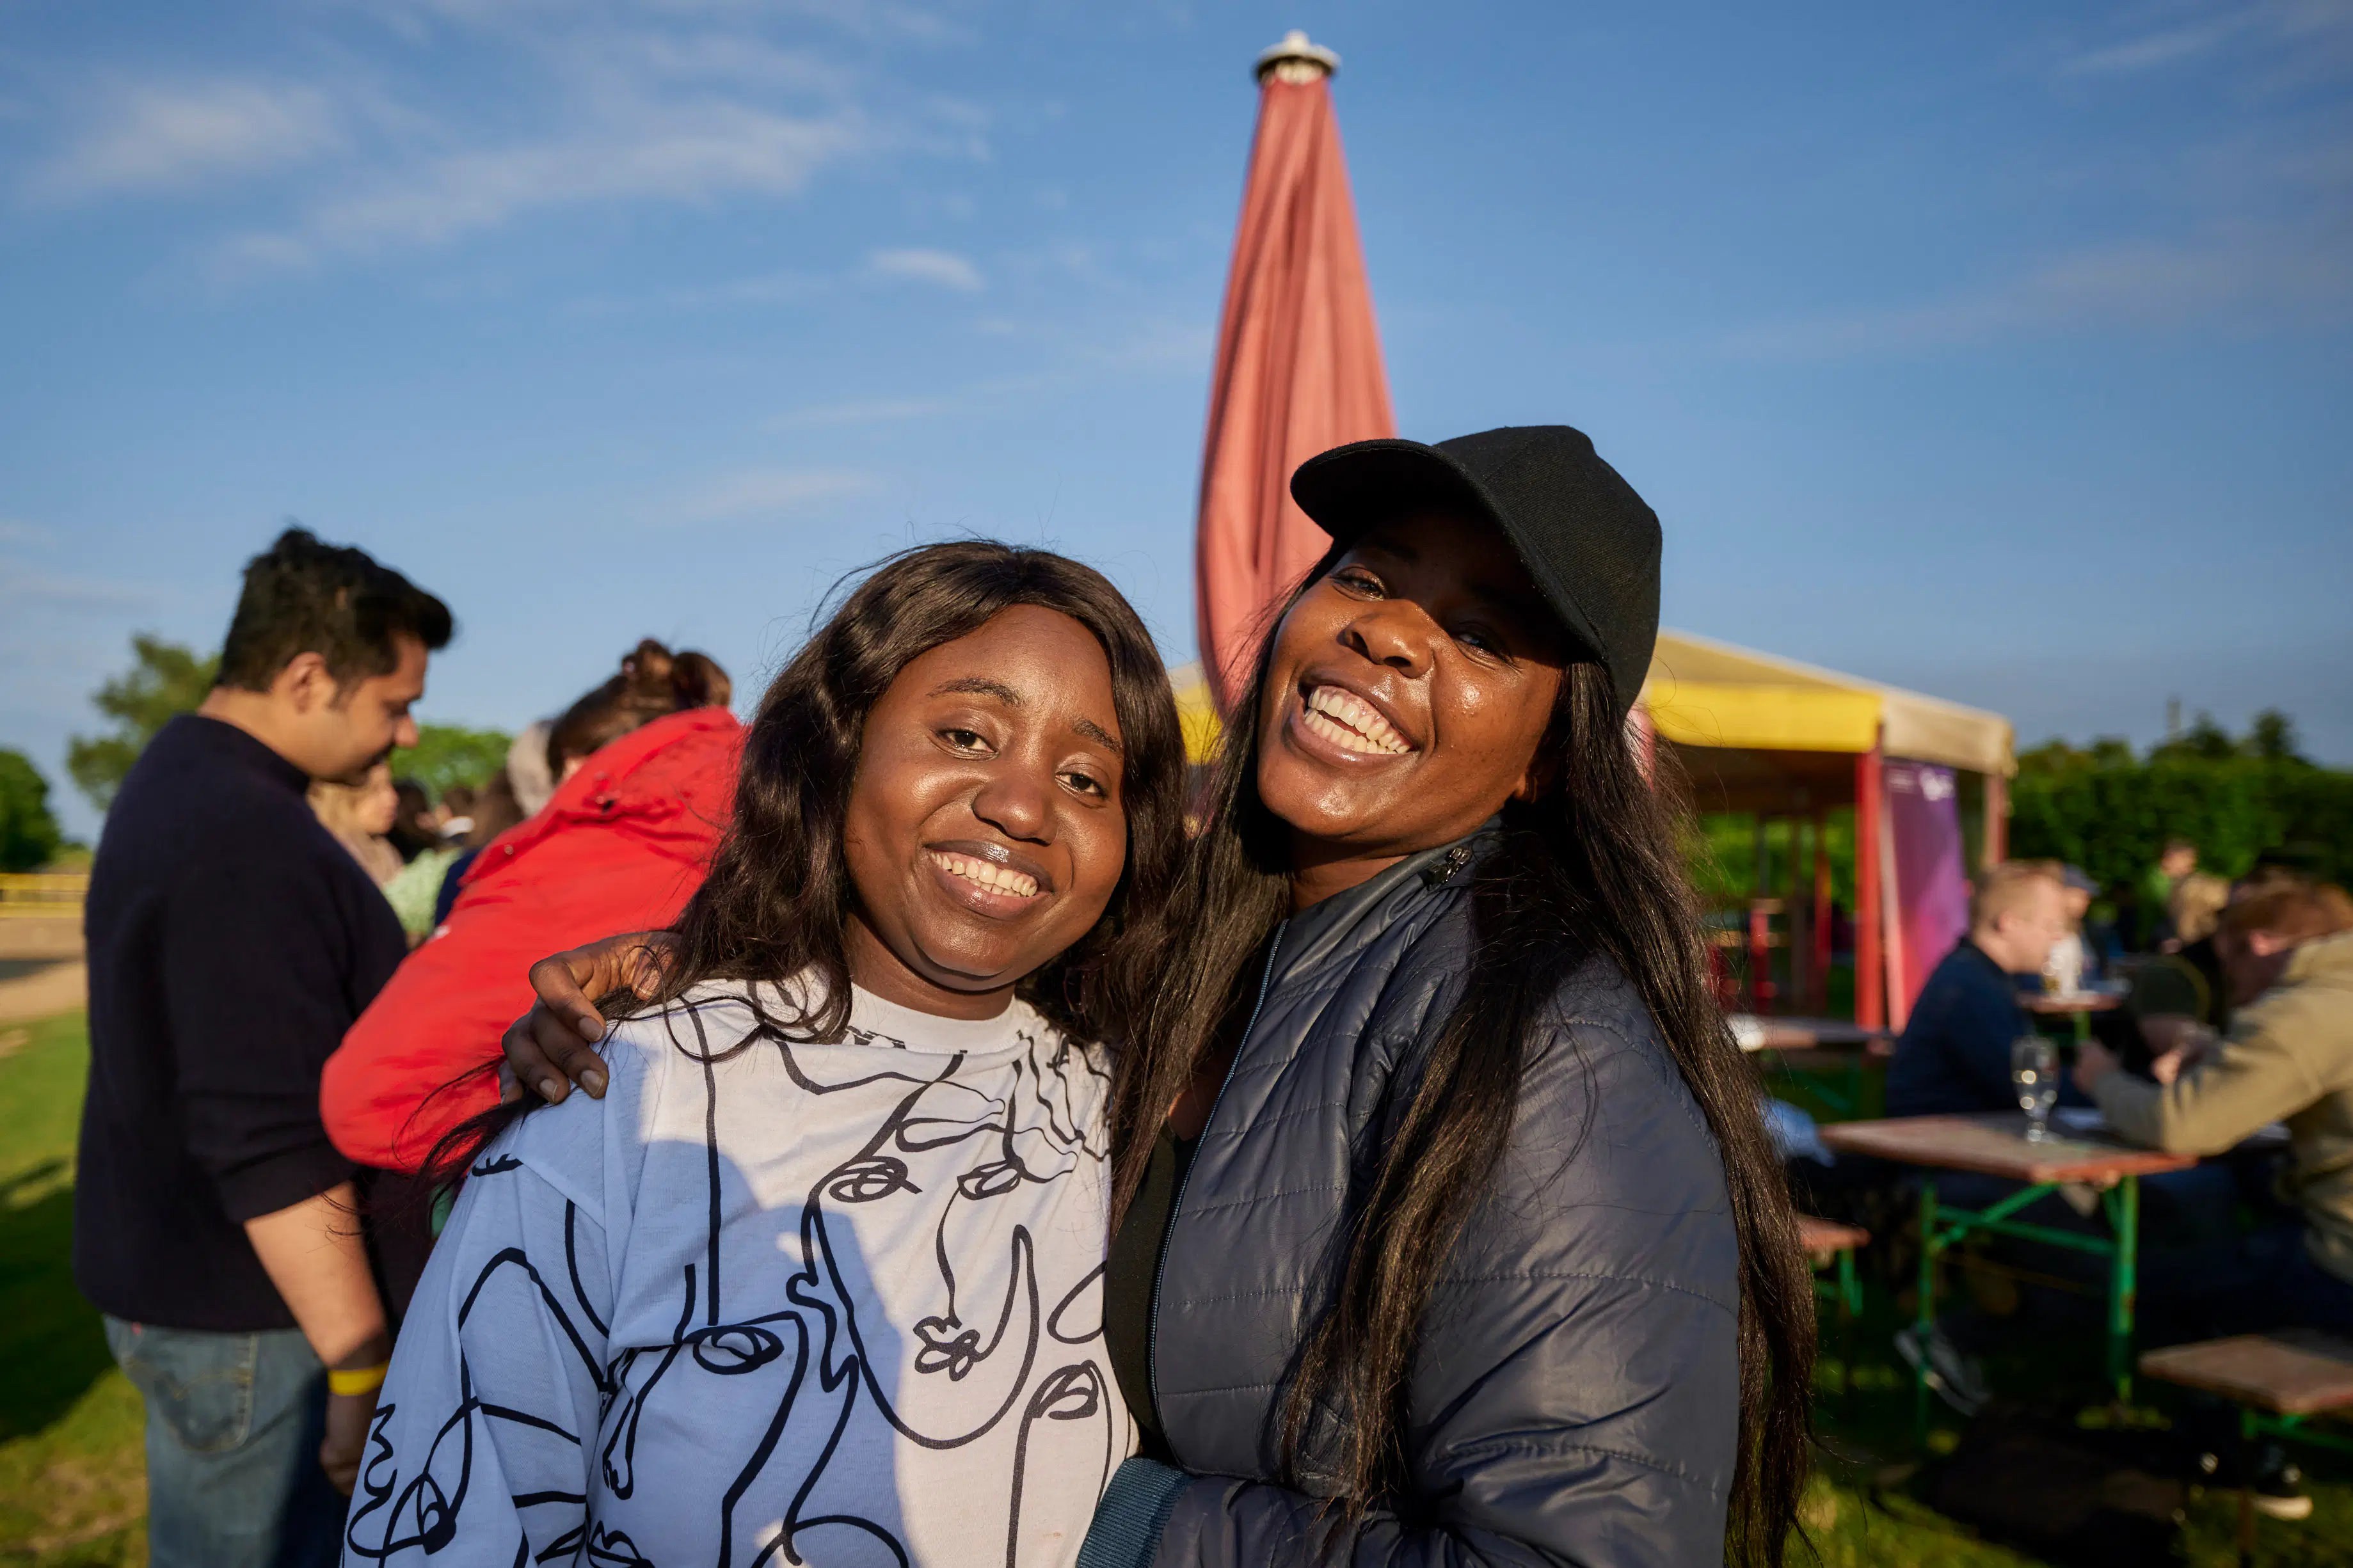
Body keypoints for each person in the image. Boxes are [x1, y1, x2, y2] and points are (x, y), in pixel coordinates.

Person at [514, 428, 1815, 1567]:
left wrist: (1105, 1522)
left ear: (1546, 760)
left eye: (1478, 634)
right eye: (1367, 577)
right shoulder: (1196, 942)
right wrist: (706, 981)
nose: (1387, 632)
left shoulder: (1546, 1040)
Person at [345, 544, 1187, 1567]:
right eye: (965, 734)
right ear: (838, 746)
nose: (1022, 805)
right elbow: (451, 1523)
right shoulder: (626, 1093)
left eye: (1085, 778)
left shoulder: (1139, 1109)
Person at [74, 527, 450, 1568]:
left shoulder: (191, 781)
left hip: (227, 1302)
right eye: (395, 702)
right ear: (307, 676)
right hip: (260, 1324)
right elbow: (265, 1136)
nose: (409, 732)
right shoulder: (239, 833)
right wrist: (359, 1363)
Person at [321, 640, 733, 1173]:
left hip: (525, 1171)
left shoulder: (575, 858)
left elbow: (364, 1098)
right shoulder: (772, 834)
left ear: (578, 765)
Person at [2075, 882, 2353, 1331]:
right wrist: (2220, 1056)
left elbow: (2179, 1126)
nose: (2235, 991)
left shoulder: (2301, 1012)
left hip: (2340, 1268)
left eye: (2230, 971)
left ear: (2258, 945)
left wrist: (2102, 1079)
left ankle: (1999, 1316)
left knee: (2129, 1284)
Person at [1886, 861, 2076, 1118]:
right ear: (2009, 923)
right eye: (2050, 926)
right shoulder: (1969, 989)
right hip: (1935, 1139)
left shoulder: (1974, 974)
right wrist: (2103, 1087)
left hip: (1946, 1133)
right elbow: (2023, 1088)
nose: (2059, 937)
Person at [308, 762, 404, 887]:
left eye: (390, 785)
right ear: (341, 798)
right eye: (375, 791)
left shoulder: (384, 851)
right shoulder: (332, 860)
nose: (393, 799)